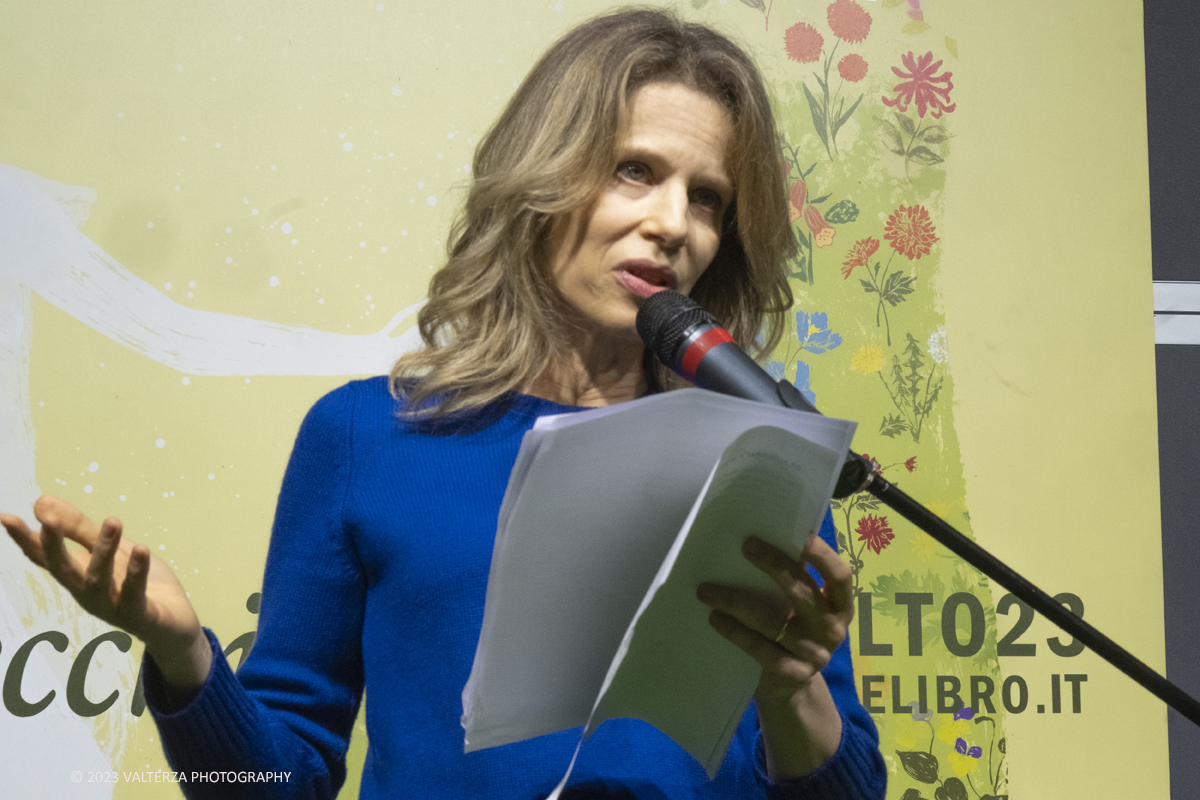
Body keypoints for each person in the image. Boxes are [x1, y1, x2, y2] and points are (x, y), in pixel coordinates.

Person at [0, 8, 886, 799]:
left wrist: (790, 686)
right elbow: (279, 780)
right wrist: (185, 654)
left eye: (706, 197)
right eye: (633, 170)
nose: (672, 223)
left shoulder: (763, 456)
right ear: (543, 177)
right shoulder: (365, 437)